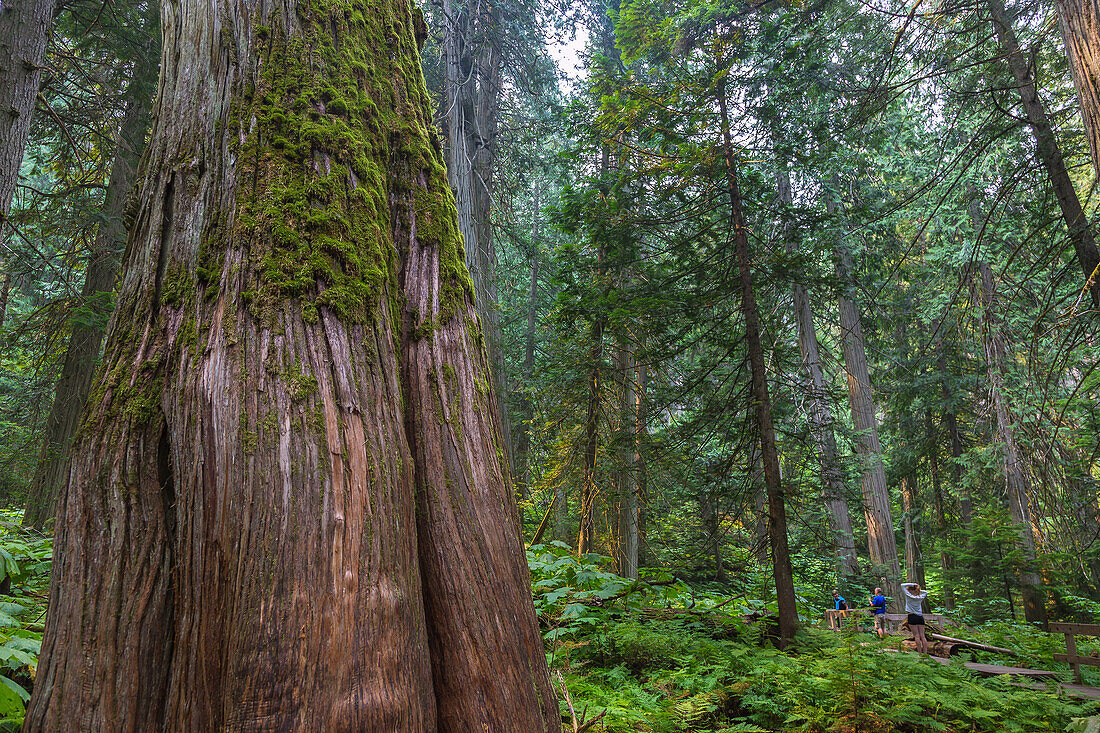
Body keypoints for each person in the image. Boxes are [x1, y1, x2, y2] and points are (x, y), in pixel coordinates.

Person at [901, 582, 929, 654]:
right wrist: (918, 588)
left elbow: (902, 585)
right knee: (922, 636)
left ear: (910, 590)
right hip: (920, 617)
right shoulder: (920, 597)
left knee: (916, 636)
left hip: (912, 616)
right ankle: (925, 653)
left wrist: (912, 584)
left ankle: (920, 653)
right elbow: (926, 592)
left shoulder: (908, 595)